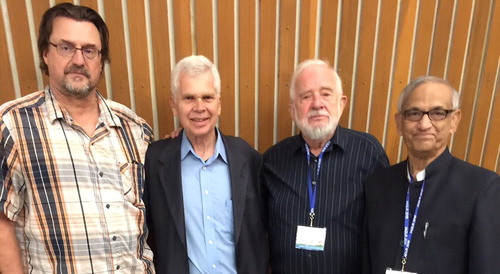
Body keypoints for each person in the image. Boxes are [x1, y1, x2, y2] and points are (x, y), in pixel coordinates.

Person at [0, 3, 154, 273]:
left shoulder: (135, 129)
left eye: (90, 50)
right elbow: (2, 223)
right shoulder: (13, 126)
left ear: (101, 60)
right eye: (66, 47)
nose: (79, 60)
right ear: (46, 53)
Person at [260, 59, 389, 273]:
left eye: (326, 94)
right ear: (293, 110)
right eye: (306, 96)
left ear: (342, 103)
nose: (317, 104)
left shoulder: (368, 153)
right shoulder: (273, 159)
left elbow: (383, 226)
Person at [143, 55, 268, 274]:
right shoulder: (156, 160)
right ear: (174, 105)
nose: (199, 107)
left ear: (218, 104)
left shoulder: (247, 157)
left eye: (207, 97)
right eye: (189, 98)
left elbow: (262, 228)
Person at [362, 76, 500, 273]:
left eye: (437, 113)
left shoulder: (481, 189)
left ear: (454, 121)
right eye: (414, 113)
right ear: (400, 123)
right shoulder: (378, 185)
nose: (424, 124)